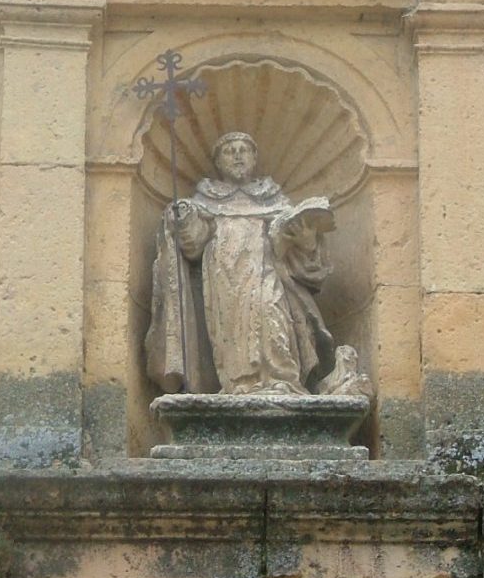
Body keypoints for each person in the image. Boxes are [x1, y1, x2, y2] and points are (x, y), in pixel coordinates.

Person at [145, 131, 342, 395]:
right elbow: (192, 246)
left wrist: (306, 241)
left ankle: (280, 380)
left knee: (272, 314)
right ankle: (238, 385)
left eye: (244, 149)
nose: (237, 155)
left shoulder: (273, 198)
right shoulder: (206, 199)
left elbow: (303, 262)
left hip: (267, 273)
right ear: (218, 162)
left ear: (254, 157)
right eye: (229, 151)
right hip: (223, 277)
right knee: (231, 330)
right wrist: (183, 221)